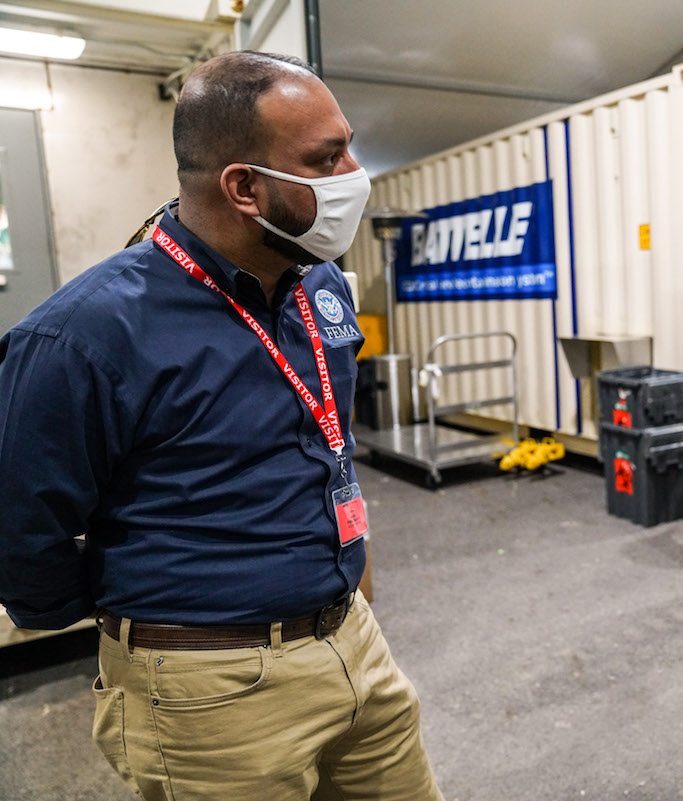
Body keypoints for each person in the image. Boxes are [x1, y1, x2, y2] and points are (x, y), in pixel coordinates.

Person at [0, 51, 444, 801]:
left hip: (354, 644)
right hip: (211, 690)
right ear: (243, 186)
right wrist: (142, 613)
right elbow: (21, 527)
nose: (353, 173)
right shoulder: (85, 335)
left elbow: (325, 442)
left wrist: (351, 587)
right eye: (327, 157)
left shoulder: (319, 283)